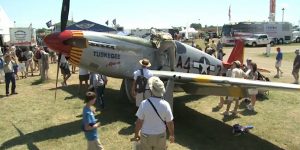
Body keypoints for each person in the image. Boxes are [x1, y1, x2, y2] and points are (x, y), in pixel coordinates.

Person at [132, 76, 175, 149]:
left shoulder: (144, 104)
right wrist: (172, 135)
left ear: (151, 91)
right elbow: (170, 123)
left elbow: (139, 122)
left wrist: (136, 134)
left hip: (146, 135)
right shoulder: (166, 105)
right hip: (160, 136)